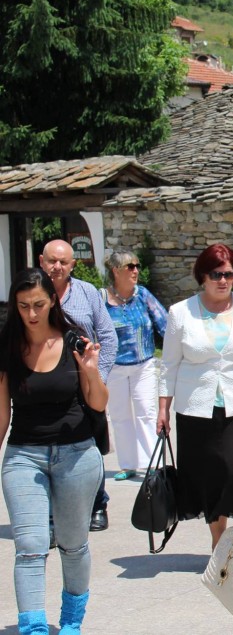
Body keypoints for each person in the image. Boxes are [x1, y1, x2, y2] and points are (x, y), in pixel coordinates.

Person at [0, 269, 107, 634]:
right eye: (23, 306)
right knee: (30, 545)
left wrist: (91, 371)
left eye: (39, 305)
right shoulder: (6, 347)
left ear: (53, 302)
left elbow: (98, 402)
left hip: (76, 454)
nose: (31, 313)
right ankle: (33, 628)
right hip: (24, 456)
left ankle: (71, 622)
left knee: (73, 545)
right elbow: (1, 414)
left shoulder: (74, 340)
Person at [156, 243, 233, 550]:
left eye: (229, 274)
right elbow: (169, 365)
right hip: (196, 410)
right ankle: (219, 544)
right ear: (202, 276)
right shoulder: (180, 312)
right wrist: (163, 409)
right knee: (209, 479)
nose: (223, 280)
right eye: (216, 274)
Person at [39, 239, 117, 533]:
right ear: (42, 261)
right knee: (46, 445)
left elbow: (108, 336)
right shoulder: (33, 291)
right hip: (45, 382)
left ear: (73, 265)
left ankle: (97, 503)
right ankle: (50, 514)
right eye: (52, 261)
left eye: (63, 262)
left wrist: (98, 377)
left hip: (83, 380)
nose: (57, 267)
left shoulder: (87, 293)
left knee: (91, 445)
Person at [102, 249, 168, 481]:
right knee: (120, 416)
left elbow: (165, 323)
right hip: (115, 367)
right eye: (130, 266)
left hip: (144, 364)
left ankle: (153, 463)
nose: (136, 271)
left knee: (146, 412)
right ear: (115, 271)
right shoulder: (102, 299)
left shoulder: (143, 295)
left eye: (137, 266)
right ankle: (127, 464)